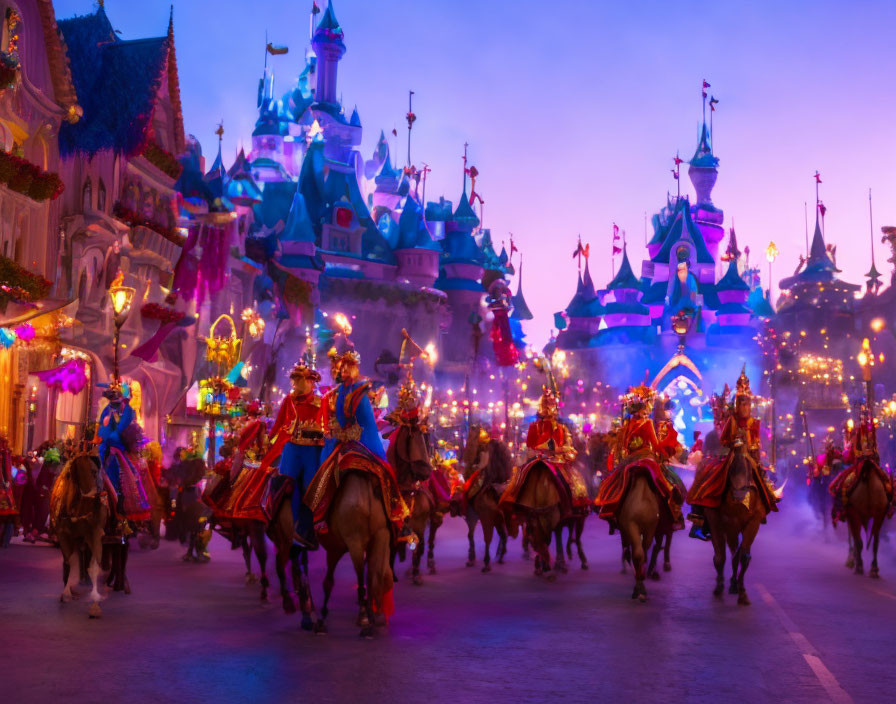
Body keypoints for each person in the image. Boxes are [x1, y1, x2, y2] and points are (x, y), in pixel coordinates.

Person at [304, 350, 409, 539]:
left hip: (359, 440)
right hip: (352, 442)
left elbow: (361, 418)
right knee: (383, 470)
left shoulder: (359, 390)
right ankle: (396, 513)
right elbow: (330, 421)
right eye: (339, 368)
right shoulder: (338, 394)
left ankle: (319, 517)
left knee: (329, 472)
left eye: (344, 368)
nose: (342, 372)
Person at [687, 368, 779, 540]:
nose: (745, 407)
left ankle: (763, 508)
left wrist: (757, 457)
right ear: (736, 405)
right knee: (705, 477)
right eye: (742, 404)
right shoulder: (731, 421)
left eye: (748, 404)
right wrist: (732, 445)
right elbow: (724, 441)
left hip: (749, 457)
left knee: (763, 480)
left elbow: (756, 443)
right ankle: (698, 520)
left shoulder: (755, 423)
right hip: (729, 456)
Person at [594, 383, 680, 531]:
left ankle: (612, 512)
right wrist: (669, 442)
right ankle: (670, 504)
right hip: (640, 459)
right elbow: (656, 445)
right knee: (660, 479)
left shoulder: (635, 423)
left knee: (615, 480)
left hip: (637, 459)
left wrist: (669, 438)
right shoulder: (640, 423)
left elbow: (647, 445)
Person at [260, 362, 324, 549]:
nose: (295, 383)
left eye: (299, 379)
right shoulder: (289, 400)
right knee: (284, 484)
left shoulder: (320, 402)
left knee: (311, 487)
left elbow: (326, 426)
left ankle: (308, 528)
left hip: (312, 449)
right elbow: (279, 423)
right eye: (293, 379)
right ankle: (275, 520)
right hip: (291, 447)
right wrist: (267, 442)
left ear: (309, 381)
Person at [501, 387, 589, 516]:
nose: (548, 412)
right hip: (538, 458)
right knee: (520, 474)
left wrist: (558, 450)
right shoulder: (534, 427)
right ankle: (514, 504)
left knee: (572, 479)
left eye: (551, 407)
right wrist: (541, 449)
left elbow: (569, 447)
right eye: (546, 407)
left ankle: (573, 504)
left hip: (558, 460)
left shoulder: (562, 429)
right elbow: (530, 444)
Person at [94, 383, 151, 528]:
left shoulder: (128, 411)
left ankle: (121, 509)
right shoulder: (107, 410)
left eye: (117, 400)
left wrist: (112, 439)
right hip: (105, 446)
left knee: (126, 476)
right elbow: (102, 428)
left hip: (118, 447)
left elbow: (120, 430)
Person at [829, 405, 894, 525]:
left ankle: (889, 506)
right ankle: (841, 510)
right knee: (839, 486)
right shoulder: (857, 436)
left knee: (889, 481)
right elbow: (848, 456)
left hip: (870, 464)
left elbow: (877, 451)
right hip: (862, 465)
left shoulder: (871, 434)